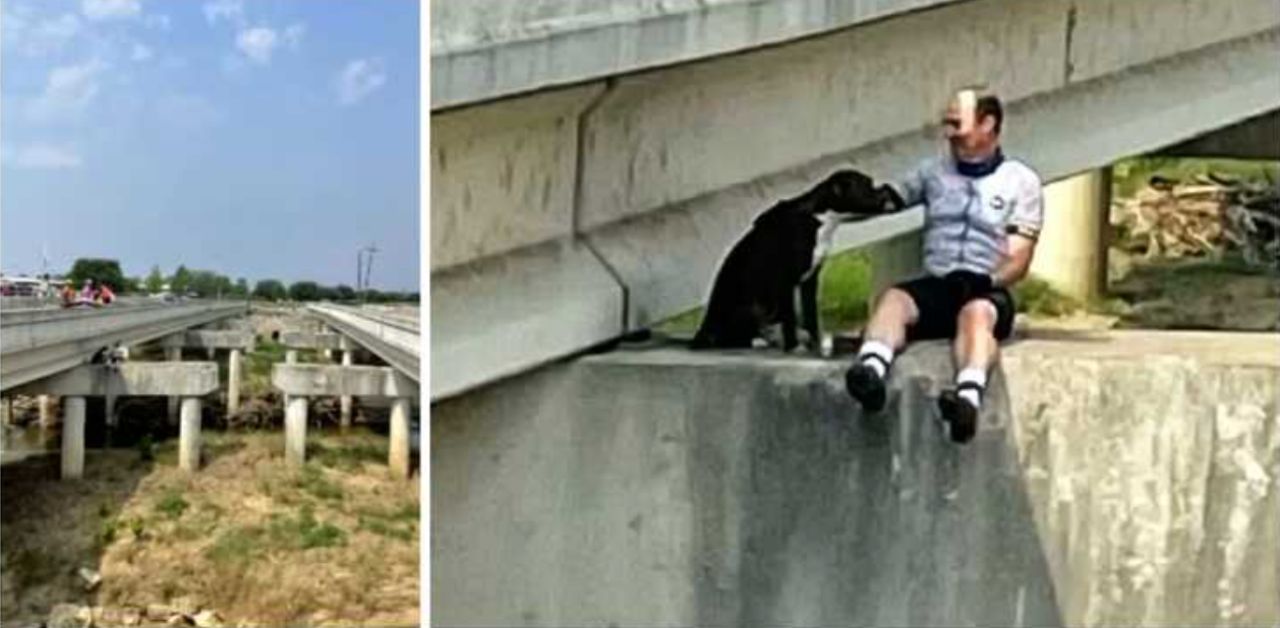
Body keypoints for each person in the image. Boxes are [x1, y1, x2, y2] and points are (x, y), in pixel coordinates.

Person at [844, 87, 1044, 443]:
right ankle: (871, 373)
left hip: (985, 287)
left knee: (976, 315)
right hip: (939, 281)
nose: (949, 133)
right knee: (893, 299)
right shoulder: (932, 172)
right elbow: (891, 198)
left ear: (988, 123)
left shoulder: (1021, 182)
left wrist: (986, 280)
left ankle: (967, 399)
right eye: (947, 124)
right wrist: (857, 198)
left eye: (957, 124)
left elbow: (1019, 259)